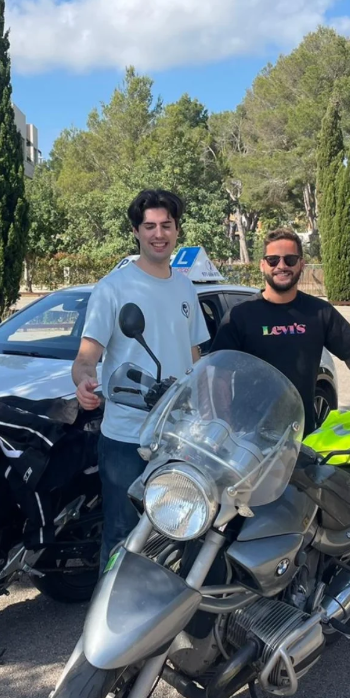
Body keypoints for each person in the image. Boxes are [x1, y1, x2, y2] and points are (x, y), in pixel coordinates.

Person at [72, 189, 210, 566]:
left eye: (166, 225)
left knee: (180, 535)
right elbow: (87, 357)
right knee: (122, 537)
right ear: (135, 231)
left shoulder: (184, 286)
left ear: (177, 230)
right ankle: (109, 621)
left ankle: (160, 620)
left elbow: (195, 355)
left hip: (179, 438)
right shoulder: (113, 288)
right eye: (149, 226)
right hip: (127, 439)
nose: (158, 234)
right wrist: (84, 382)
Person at [211, 227, 350, 437]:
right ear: (263, 265)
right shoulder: (240, 315)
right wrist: (223, 426)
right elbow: (220, 376)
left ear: (301, 264)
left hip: (300, 435)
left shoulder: (319, 312)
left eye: (290, 259)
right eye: (273, 260)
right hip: (247, 437)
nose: (281, 266)